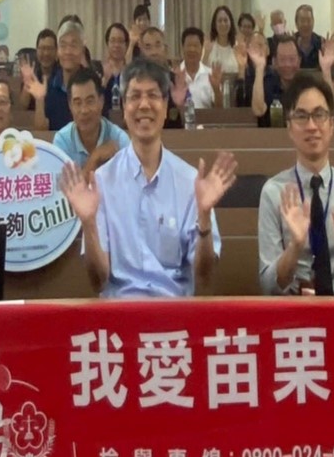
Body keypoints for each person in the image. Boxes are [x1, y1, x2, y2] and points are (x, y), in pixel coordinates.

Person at [59, 59, 235, 298]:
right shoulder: (102, 181)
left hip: (174, 317)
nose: (144, 105)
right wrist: (88, 224)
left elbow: (204, 278)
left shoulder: (190, 181)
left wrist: (203, 217)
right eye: (134, 97)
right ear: (123, 105)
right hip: (119, 318)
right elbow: (97, 281)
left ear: (165, 105)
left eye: (152, 95)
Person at [258, 72, 334, 296]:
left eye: (319, 115)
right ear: (288, 127)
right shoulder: (274, 193)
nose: (312, 126)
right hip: (294, 316)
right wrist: (294, 248)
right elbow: (268, 286)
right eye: (301, 116)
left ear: (332, 124)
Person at [52, 68, 130, 174]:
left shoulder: (119, 139)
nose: (84, 110)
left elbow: (128, 186)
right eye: (78, 103)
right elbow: (63, 190)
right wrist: (95, 158)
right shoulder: (62, 141)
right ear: (70, 106)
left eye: (90, 101)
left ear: (101, 102)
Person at [25, 20, 88, 131]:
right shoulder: (50, 85)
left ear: (82, 50)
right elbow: (42, 132)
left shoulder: (92, 85)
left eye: (73, 45)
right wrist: (39, 100)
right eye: (63, 45)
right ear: (58, 51)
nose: (68, 51)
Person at [250, 34, 302, 127]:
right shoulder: (267, 83)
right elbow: (258, 110)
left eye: (292, 59)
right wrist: (259, 67)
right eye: (282, 59)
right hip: (270, 139)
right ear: (274, 62)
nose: (287, 64)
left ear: (299, 61)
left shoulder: (307, 84)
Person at [179, 27, 219, 109]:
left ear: (201, 49)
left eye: (195, 46)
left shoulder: (211, 74)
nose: (192, 49)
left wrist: (216, 89)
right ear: (182, 48)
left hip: (207, 120)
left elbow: (220, 109)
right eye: (189, 45)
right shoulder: (175, 75)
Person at [20, 28, 59, 110]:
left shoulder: (62, 75)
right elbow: (23, 107)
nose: (46, 53)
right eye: (42, 48)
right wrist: (28, 82)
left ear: (56, 51)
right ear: (36, 51)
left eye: (49, 49)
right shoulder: (32, 73)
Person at [101, 22, 131, 119]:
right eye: (113, 41)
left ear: (126, 45)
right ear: (107, 43)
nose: (116, 45)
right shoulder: (99, 70)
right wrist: (103, 83)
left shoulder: (132, 72)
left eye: (120, 41)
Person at [205, 5, 239, 77]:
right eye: (219, 21)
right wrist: (206, 54)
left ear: (231, 23)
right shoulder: (208, 46)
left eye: (226, 20)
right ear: (215, 24)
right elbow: (201, 71)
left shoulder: (237, 46)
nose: (223, 24)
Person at [294, 5, 323, 69]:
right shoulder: (291, 43)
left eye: (309, 20)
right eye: (302, 21)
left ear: (313, 22)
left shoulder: (322, 43)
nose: (306, 24)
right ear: (296, 23)